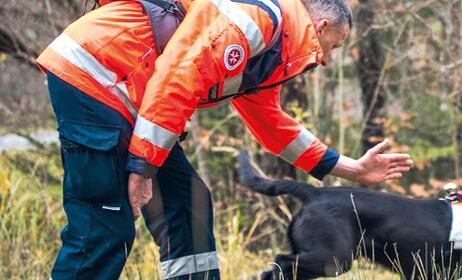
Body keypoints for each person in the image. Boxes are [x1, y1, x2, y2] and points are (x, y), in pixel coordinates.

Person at [37, 0, 413, 278]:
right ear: (323, 24)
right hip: (97, 74)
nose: (328, 59)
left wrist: (352, 168)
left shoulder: (271, 49)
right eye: (335, 45)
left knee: (188, 205)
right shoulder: (254, 21)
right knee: (104, 222)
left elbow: (272, 123)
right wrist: (141, 168)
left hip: (135, 100)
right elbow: (177, 81)